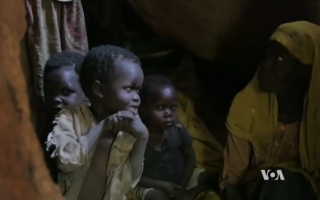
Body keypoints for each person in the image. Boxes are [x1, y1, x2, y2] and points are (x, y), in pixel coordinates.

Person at [220, 21, 320, 200]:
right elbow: (232, 180)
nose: (266, 66)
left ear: (308, 72)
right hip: (259, 181)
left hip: (309, 191)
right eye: (267, 55)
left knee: (287, 180)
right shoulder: (247, 106)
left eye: (279, 60)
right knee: (282, 178)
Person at [45, 45, 149, 200]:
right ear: (99, 90)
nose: (136, 98)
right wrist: (102, 127)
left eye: (138, 90)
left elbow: (129, 181)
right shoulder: (69, 118)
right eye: (129, 89)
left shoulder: (130, 126)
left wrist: (142, 138)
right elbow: (66, 162)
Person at [133, 75, 220, 200]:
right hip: (151, 184)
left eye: (172, 107)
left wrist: (182, 187)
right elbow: (131, 174)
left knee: (215, 178)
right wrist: (162, 185)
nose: (169, 113)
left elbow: (190, 158)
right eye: (160, 108)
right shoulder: (136, 138)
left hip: (181, 179)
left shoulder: (178, 129)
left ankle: (188, 194)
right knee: (157, 197)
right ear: (143, 110)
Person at [41, 51, 86, 182]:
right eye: (49, 92)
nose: (56, 99)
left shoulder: (95, 125)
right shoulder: (47, 126)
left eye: (66, 92)